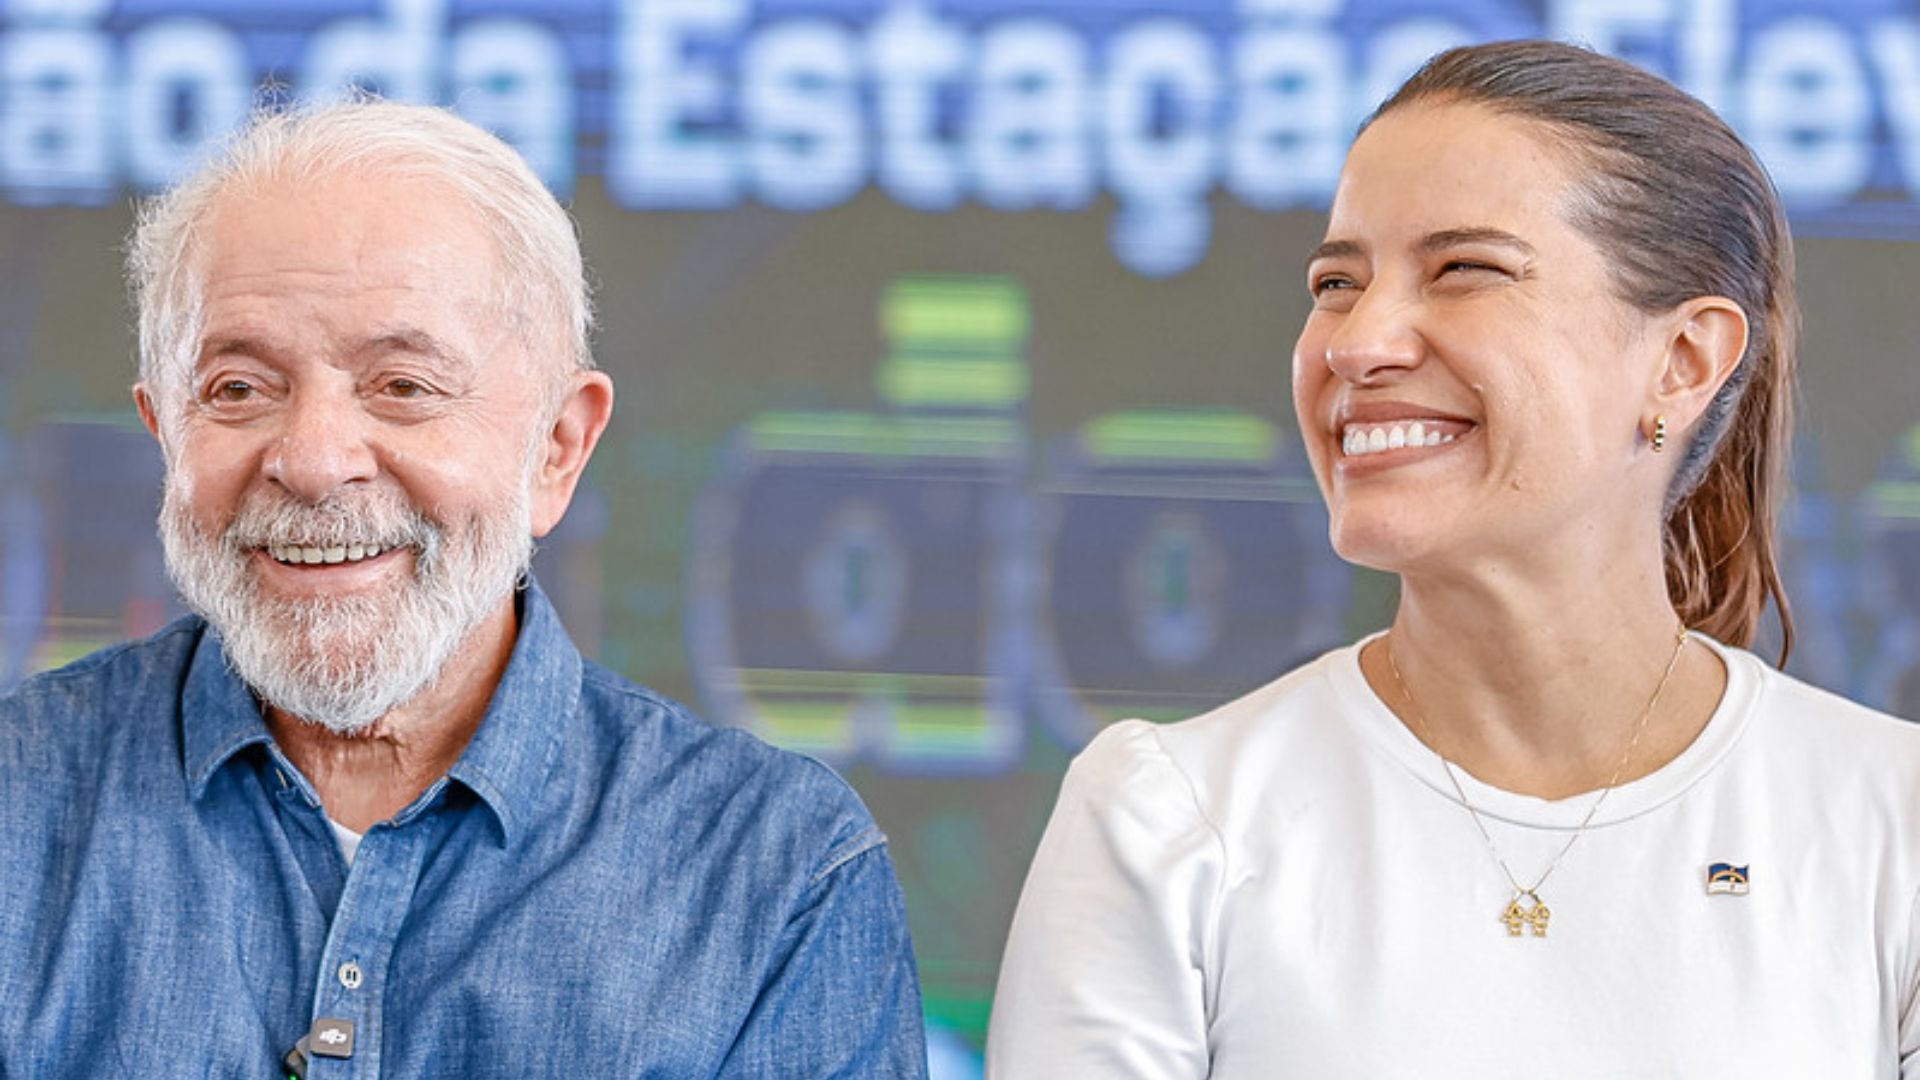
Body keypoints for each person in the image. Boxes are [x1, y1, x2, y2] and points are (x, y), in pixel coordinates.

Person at [988, 39, 1920, 1077]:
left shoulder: (1894, 825)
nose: (1357, 341)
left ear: (1683, 361)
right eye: (1336, 281)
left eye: (1463, 270)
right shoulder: (1169, 819)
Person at [0, 101, 927, 1077]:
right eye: (237, 388)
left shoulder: (776, 879)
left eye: (403, 386)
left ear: (558, 448)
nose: (314, 462)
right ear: (163, 433)